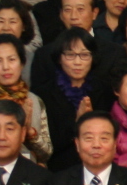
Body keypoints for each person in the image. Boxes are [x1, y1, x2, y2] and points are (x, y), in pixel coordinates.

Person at [34, 27, 97, 172]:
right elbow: (47, 144)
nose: (77, 62)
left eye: (84, 55)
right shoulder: (43, 94)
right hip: (58, 169)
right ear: (59, 58)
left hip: (95, 167)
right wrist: (77, 123)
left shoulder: (102, 90)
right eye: (70, 55)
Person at [0, 35, 52, 165]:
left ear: (22, 63)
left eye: (11, 60)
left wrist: (29, 132)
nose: (6, 67)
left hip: (30, 173)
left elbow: (46, 154)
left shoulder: (35, 100)